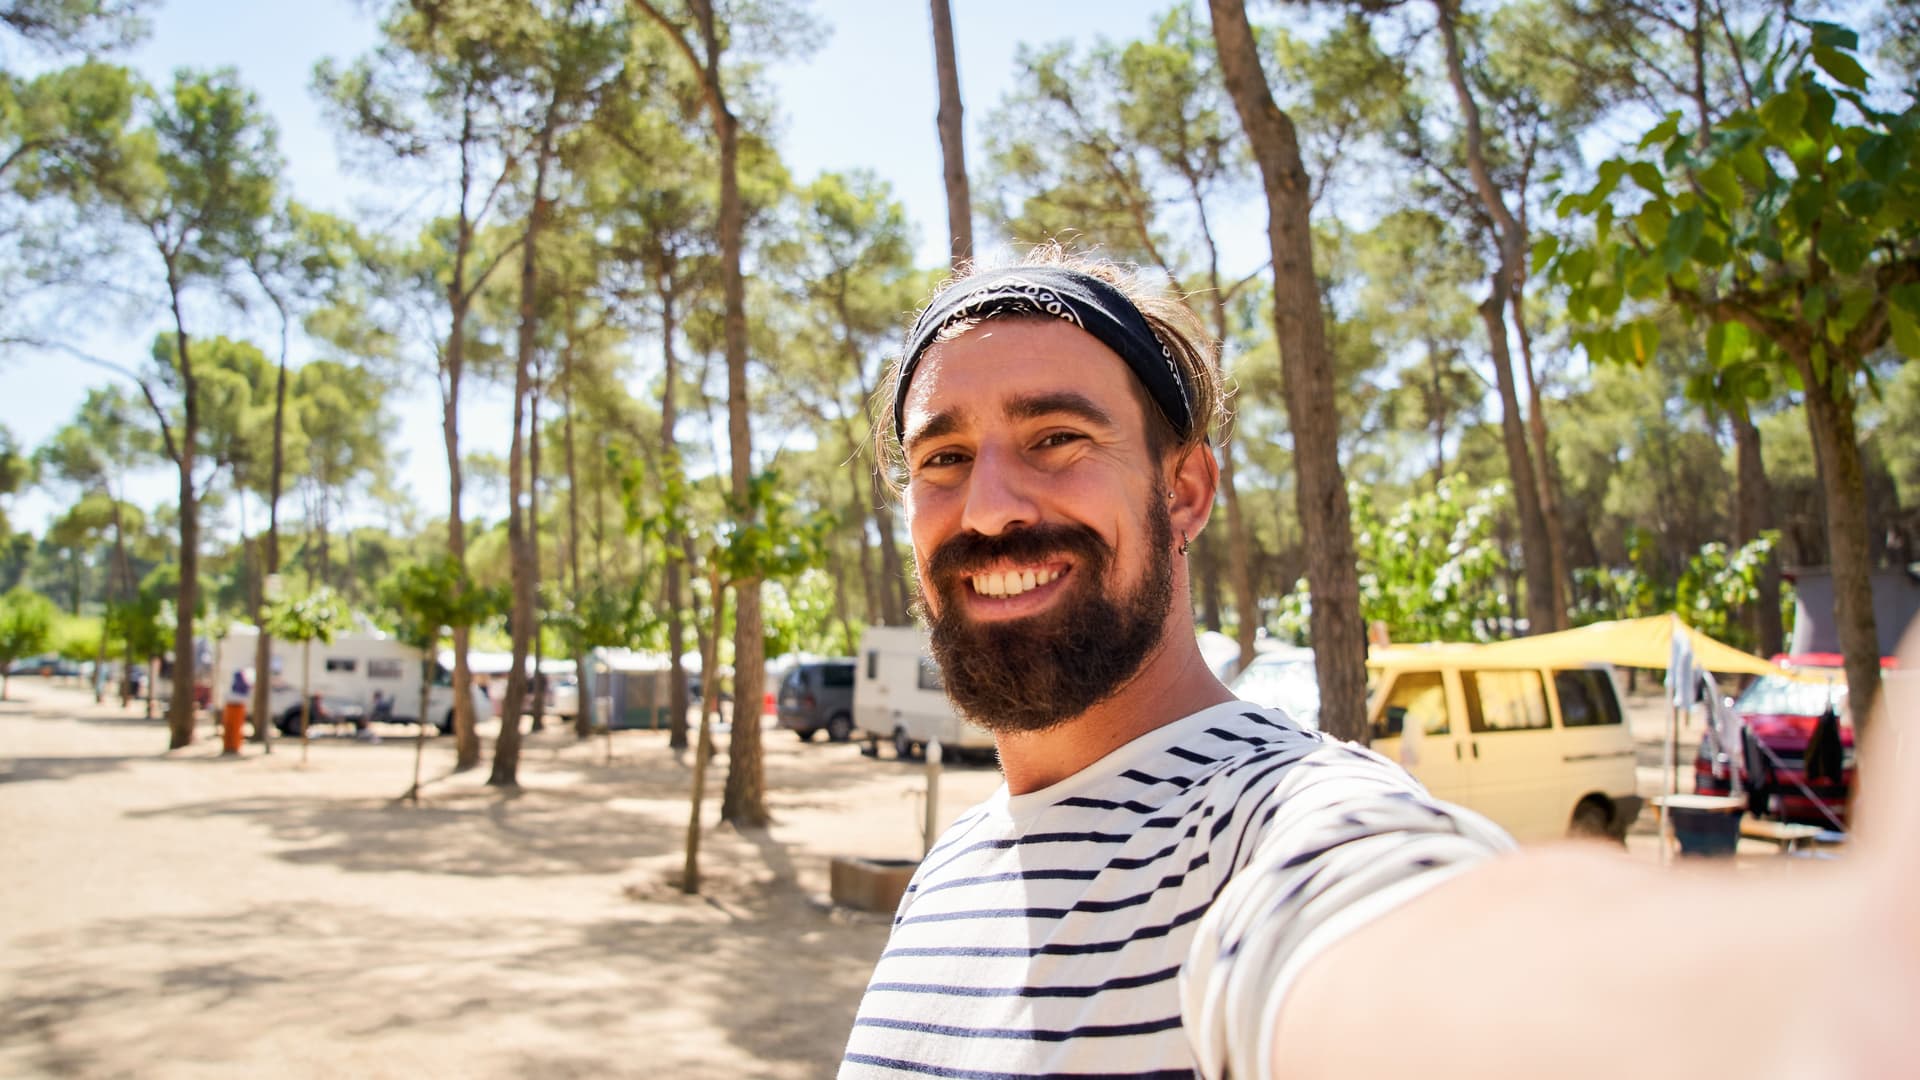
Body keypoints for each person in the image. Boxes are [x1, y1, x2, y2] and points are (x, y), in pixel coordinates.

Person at [840, 249, 1918, 1079]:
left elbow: (1405, 944)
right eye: (943, 458)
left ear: (1184, 492)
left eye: (1057, 439)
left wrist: (1809, 1002)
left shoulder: (1270, 825)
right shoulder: (954, 869)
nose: (987, 507)